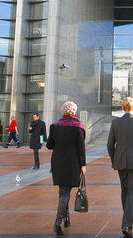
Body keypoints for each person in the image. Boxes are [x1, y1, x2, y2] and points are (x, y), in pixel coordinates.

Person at [107, 97, 133, 238]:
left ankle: (127, 220)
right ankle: (126, 223)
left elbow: (109, 145)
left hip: (121, 161)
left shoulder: (115, 122)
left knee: (124, 189)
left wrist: (115, 159)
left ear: (122, 108)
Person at [46, 101, 86, 235]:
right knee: (65, 193)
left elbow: (49, 145)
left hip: (57, 162)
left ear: (63, 111)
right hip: (72, 162)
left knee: (63, 191)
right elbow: (81, 149)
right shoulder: (78, 126)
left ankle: (66, 218)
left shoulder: (54, 126)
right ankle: (57, 223)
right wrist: (83, 165)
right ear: (74, 112)